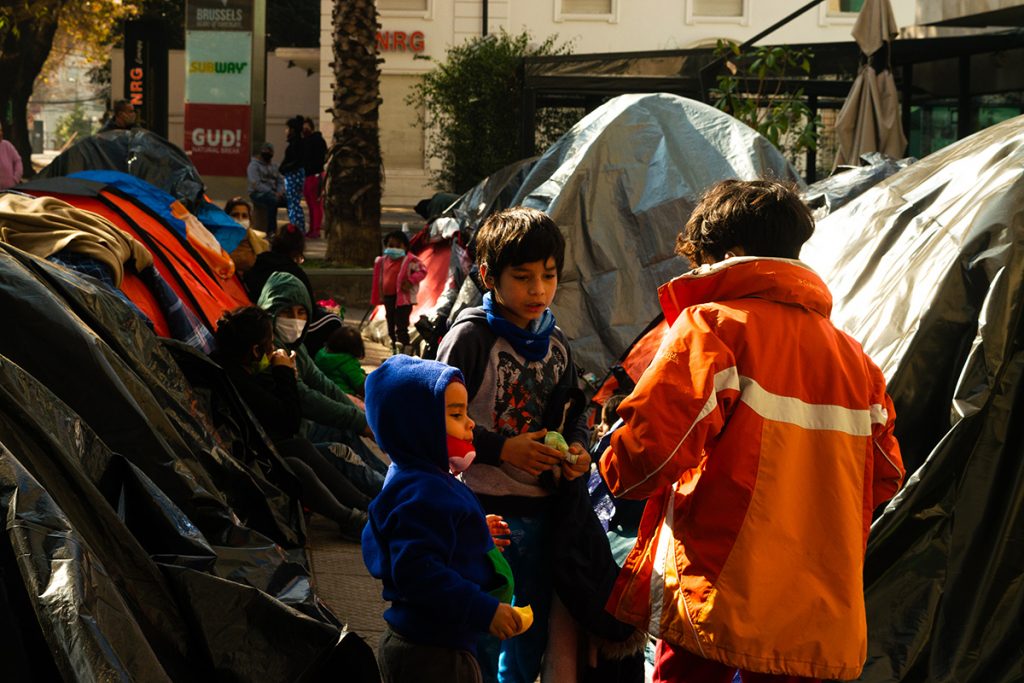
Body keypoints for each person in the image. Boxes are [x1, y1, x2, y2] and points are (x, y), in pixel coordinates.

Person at [599, 179, 906, 683]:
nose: (695, 272)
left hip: (718, 585)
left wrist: (608, 458)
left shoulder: (713, 326)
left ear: (731, 254)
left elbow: (644, 458)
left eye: (701, 260)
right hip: (814, 602)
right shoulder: (857, 360)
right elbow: (887, 476)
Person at [436, 206, 592, 683]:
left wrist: (578, 450)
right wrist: (503, 449)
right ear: (488, 276)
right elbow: (435, 420)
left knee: (530, 634)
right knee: (481, 629)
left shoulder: (557, 343)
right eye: (522, 277)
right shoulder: (469, 338)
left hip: (543, 512)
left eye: (548, 276)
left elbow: (574, 414)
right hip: (482, 512)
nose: (538, 290)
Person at [361, 354, 526, 683]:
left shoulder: (416, 476)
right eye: (456, 414)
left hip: (428, 645)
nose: (470, 425)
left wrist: (472, 538)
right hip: (434, 653)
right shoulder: (422, 493)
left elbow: (429, 543)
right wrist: (482, 610)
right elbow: (418, 573)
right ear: (417, 426)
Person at [212, 306, 371, 540]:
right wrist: (284, 374)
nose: (274, 348)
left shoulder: (233, 367)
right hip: (236, 463)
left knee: (301, 448)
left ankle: (366, 505)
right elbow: (288, 423)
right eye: (270, 343)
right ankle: (350, 518)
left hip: (252, 448)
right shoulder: (236, 379)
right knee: (294, 465)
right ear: (256, 350)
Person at [257, 271, 387, 480]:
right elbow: (306, 397)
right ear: (271, 311)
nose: (295, 321)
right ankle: (392, 493)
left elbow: (322, 383)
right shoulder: (269, 351)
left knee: (347, 431)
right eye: (287, 313)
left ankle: (393, 481)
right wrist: (359, 421)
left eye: (301, 313)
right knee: (345, 455)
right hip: (284, 442)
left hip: (303, 430)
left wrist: (363, 420)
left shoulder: (296, 348)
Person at [370, 230, 427, 355]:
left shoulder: (410, 260)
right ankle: (395, 350)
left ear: (405, 246)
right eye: (390, 246)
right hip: (388, 298)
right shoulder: (382, 261)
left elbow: (422, 271)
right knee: (390, 324)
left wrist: (411, 281)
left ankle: (405, 351)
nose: (394, 249)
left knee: (401, 327)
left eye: (398, 246)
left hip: (403, 300)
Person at [314, 324, 367, 397]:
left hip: (322, 394)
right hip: (343, 397)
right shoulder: (347, 362)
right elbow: (362, 387)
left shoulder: (321, 354)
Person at [224, 196, 269, 274]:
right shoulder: (216, 244)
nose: (240, 219)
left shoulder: (261, 244)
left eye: (244, 216)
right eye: (235, 215)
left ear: (250, 220)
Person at [247, 142, 285, 232]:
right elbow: (255, 184)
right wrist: (272, 193)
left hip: (274, 193)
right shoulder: (254, 166)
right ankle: (271, 231)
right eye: (266, 151)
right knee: (272, 201)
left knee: (290, 201)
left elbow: (280, 180)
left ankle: (292, 229)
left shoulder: (275, 167)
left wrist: (280, 192)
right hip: (257, 193)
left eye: (270, 151)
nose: (268, 153)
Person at [301, 117, 328, 238]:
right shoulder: (308, 141)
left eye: (307, 127)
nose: (305, 129)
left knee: (315, 205)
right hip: (309, 175)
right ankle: (312, 228)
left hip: (315, 175)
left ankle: (315, 229)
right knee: (311, 205)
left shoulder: (315, 141)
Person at [280, 115, 307, 230]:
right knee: (293, 203)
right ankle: (297, 227)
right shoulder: (297, 143)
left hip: (293, 175)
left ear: (292, 130)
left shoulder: (296, 144)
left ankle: (296, 228)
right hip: (295, 174)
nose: (285, 131)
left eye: (287, 128)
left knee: (293, 203)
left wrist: (284, 168)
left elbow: (296, 161)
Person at [0, 121, 23, 190]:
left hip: (9, 189)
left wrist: (16, 178)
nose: (0, 133)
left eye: (1, 130)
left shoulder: (7, 145)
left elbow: (18, 161)